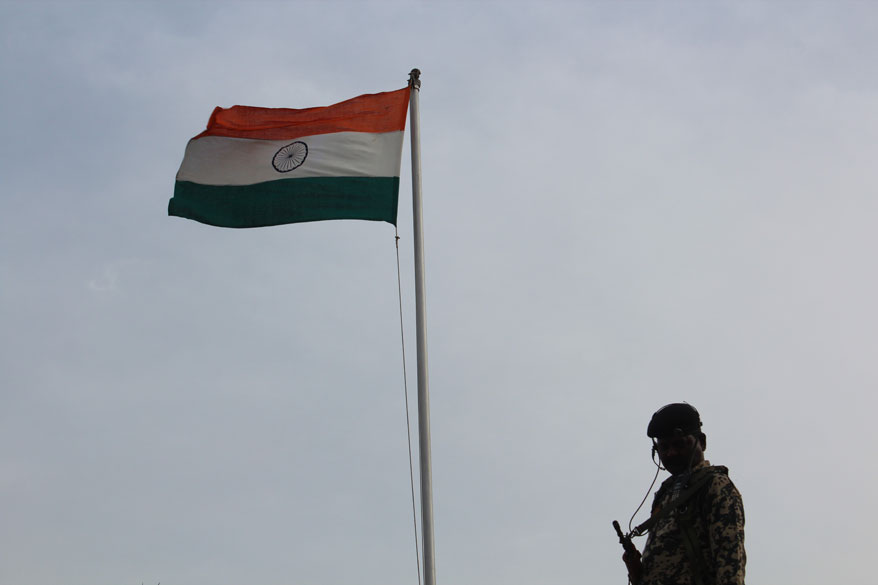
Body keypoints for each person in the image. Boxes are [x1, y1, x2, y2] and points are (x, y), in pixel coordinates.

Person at [622, 403, 746, 585]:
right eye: (663, 448)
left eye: (679, 444)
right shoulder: (665, 494)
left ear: (701, 442)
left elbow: (729, 556)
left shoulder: (715, 485)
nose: (671, 453)